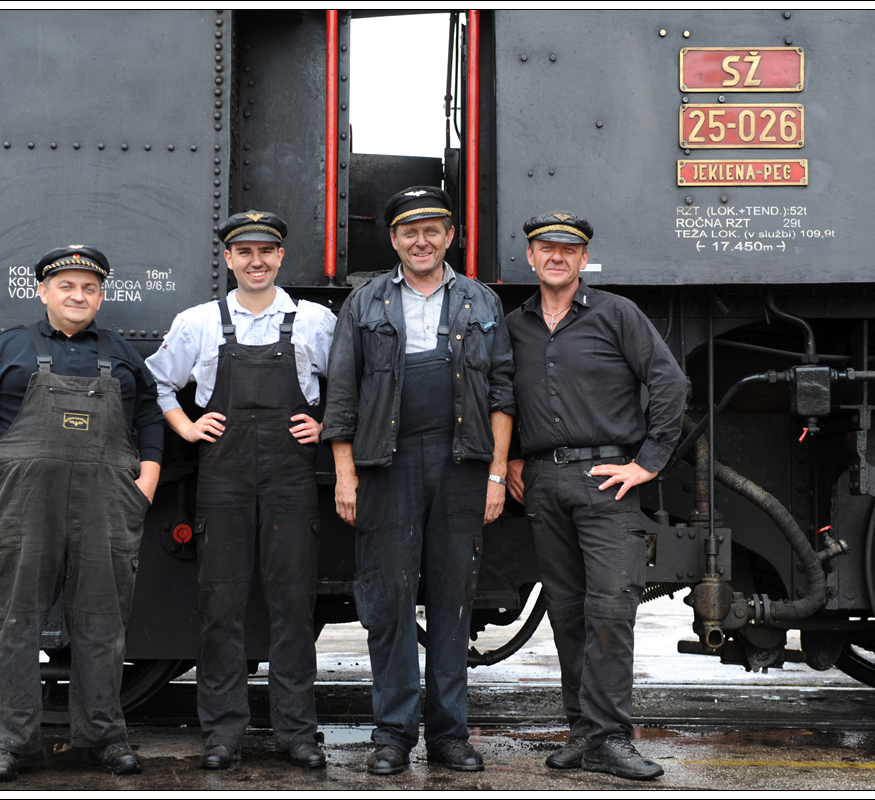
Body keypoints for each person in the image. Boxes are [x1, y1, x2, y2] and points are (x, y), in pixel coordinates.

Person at [0, 245, 163, 781]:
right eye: (66, 286)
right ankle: (6, 743)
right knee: (13, 620)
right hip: (22, 501)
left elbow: (150, 418)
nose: (78, 296)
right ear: (42, 291)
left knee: (102, 620)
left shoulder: (120, 352)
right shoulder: (7, 349)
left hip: (106, 502)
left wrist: (147, 482)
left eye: (89, 287)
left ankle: (104, 736)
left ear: (100, 295)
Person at [322, 186, 514, 775]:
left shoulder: (480, 301)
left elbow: (504, 392)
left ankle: (451, 735)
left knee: (454, 600)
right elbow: (343, 393)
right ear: (394, 240)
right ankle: (393, 734)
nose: (422, 240)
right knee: (389, 601)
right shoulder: (367, 302)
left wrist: (497, 475)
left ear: (450, 236)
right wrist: (345, 475)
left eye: (433, 229)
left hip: (462, 464)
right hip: (387, 463)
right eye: (410, 231)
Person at [146, 211, 336, 770]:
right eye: (244, 252)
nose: (256, 261)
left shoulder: (315, 322)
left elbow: (354, 384)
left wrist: (326, 427)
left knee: (293, 606)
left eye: (267, 251)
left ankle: (297, 733)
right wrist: (184, 426)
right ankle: (222, 734)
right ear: (227, 259)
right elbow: (155, 381)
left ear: (281, 258)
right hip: (223, 479)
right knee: (220, 606)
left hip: (291, 479)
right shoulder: (198, 322)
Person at [504, 213, 685, 781]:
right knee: (568, 612)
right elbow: (500, 395)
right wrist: (509, 459)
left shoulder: (616, 314)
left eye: (569, 249)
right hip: (542, 482)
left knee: (611, 609)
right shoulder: (514, 326)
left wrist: (646, 463)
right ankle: (583, 732)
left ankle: (611, 736)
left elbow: (670, 383)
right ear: (530, 257)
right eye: (545, 248)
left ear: (584, 260)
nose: (556, 257)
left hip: (605, 480)